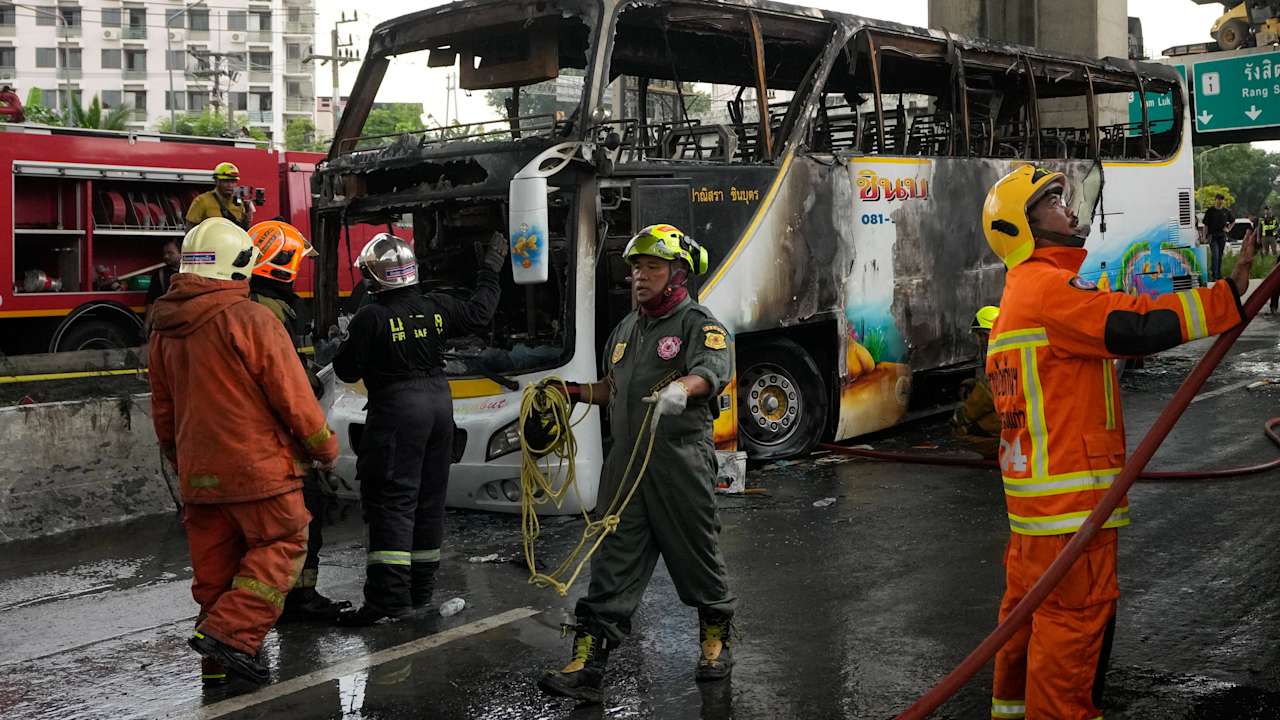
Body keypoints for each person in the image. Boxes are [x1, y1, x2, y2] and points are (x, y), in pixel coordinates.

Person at [982, 165, 1252, 720]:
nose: (1068, 210)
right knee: (1072, 630)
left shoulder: (1017, 298)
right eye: (1052, 202)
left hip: (1036, 519)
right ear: (1021, 227)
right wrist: (1226, 296)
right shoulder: (1049, 289)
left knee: (1024, 625)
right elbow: (1135, 326)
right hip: (1071, 513)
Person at [537, 224, 736, 705]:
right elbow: (614, 388)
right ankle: (587, 667)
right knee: (612, 562)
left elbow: (712, 371)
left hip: (679, 463)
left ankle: (715, 641)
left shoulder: (698, 324)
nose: (639, 277)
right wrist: (573, 393)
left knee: (697, 555)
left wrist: (682, 389)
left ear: (678, 273)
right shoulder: (627, 329)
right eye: (635, 268)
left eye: (652, 267)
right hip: (626, 468)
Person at [148, 217, 339, 685]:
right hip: (259, 469)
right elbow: (293, 396)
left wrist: (181, 460)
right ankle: (232, 638)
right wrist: (324, 447)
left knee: (217, 571)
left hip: (200, 474)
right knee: (283, 543)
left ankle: (216, 666)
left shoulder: (163, 331)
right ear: (236, 265)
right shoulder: (251, 319)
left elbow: (164, 411)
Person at [331, 231, 506, 625]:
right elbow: (479, 313)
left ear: (372, 278)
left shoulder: (371, 317)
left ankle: (388, 602)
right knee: (429, 500)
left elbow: (346, 369)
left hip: (398, 411)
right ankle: (420, 593)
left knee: (392, 502)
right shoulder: (437, 306)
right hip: (440, 406)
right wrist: (490, 270)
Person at [245, 220, 349, 621]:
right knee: (304, 518)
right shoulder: (268, 312)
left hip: (261, 439)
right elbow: (285, 380)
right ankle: (297, 602)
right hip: (279, 439)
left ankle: (291, 600)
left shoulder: (260, 304)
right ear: (281, 266)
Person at [951, 305, 1001, 460]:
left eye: (980, 335)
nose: (980, 341)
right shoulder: (1008, 351)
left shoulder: (999, 356)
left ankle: (1001, 449)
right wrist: (973, 383)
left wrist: (962, 417)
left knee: (961, 432)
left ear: (988, 334)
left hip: (1010, 419)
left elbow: (988, 393)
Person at [187, 162, 255, 231]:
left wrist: (248, 212)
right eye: (226, 181)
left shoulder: (238, 202)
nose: (230, 185)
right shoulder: (202, 201)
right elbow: (190, 228)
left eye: (233, 181)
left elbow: (243, 228)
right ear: (216, 181)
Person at [143, 238, 182, 334]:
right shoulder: (159, 275)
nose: (166, 256)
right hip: (167, 323)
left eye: (170, 253)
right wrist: (147, 324)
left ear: (181, 253)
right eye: (164, 253)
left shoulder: (190, 273)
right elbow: (152, 300)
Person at [1201, 193, 1234, 280]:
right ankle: (1214, 275)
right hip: (1212, 236)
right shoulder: (1210, 211)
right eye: (1218, 199)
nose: (1220, 201)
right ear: (1215, 200)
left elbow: (1233, 221)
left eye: (1222, 199)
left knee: (1220, 256)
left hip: (1222, 236)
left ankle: (1218, 274)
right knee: (1215, 255)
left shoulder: (1226, 211)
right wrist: (1204, 236)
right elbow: (1205, 225)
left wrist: (1228, 229)